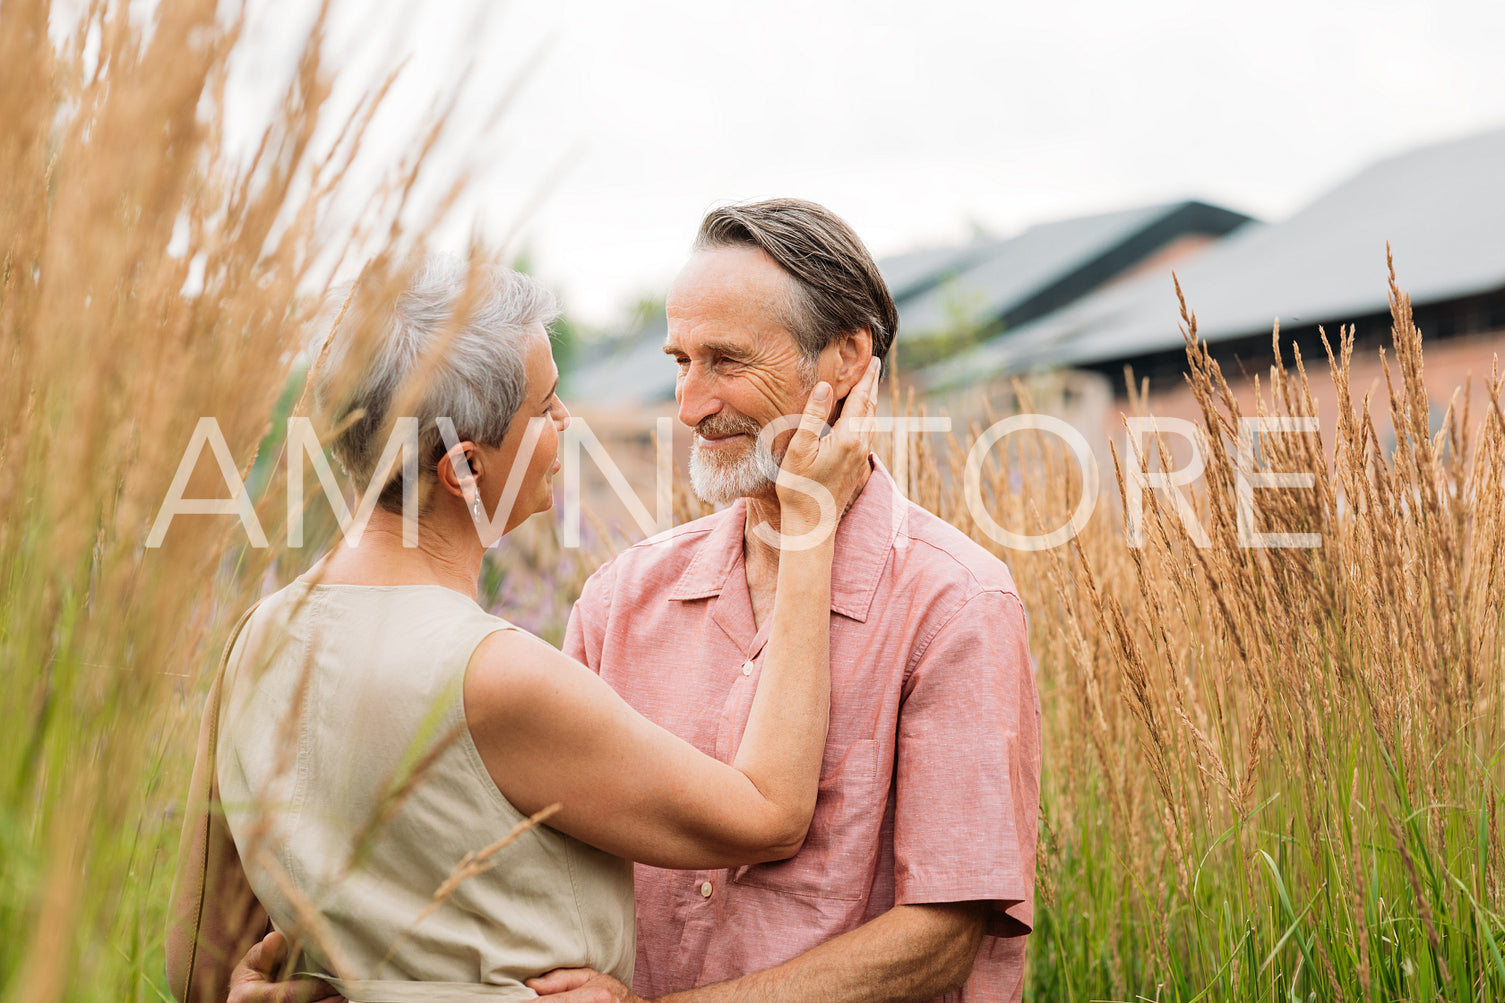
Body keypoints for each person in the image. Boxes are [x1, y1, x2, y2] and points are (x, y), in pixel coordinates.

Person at [230, 198, 1040, 1003]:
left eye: (725, 360)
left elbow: (939, 942)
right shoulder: (623, 596)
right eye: (680, 361)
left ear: (846, 361)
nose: (688, 406)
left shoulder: (955, 602)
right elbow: (495, 880)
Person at [165, 256, 881, 1002]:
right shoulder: (496, 676)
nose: (566, 423)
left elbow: (198, 962)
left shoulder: (259, 636)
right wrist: (807, 524)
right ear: (465, 470)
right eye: (544, 408)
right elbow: (768, 813)